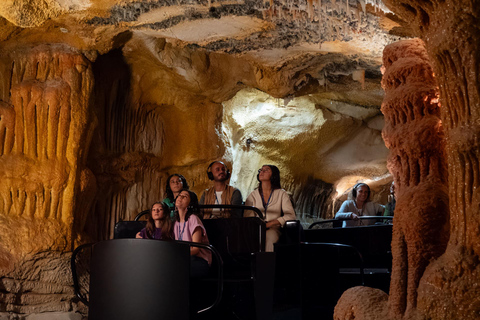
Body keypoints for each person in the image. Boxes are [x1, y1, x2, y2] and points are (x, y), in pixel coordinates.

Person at [245, 165, 296, 252]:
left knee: (270, 236)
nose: (262, 172)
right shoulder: (252, 195)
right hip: (256, 229)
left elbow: (291, 216)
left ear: (274, 175)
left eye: (266, 170)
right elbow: (247, 218)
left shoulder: (281, 194)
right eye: (261, 170)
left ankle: (267, 263)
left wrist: (271, 223)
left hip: (274, 228)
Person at [174, 189, 212, 278]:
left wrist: (178, 254)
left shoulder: (193, 219)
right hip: (183, 258)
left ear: (191, 203)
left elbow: (195, 249)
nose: (180, 197)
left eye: (185, 196)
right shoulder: (175, 222)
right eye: (179, 195)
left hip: (198, 260)